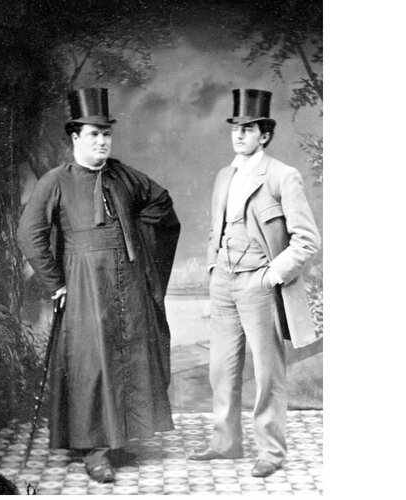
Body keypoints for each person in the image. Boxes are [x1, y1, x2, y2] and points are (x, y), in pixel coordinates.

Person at [17, 88, 180, 483]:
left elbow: (162, 205)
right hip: (84, 285)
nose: (102, 141)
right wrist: (56, 282)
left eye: (107, 134)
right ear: (75, 137)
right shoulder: (56, 180)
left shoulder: (123, 175)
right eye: (94, 134)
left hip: (127, 282)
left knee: (127, 357)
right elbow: (29, 234)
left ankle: (119, 440)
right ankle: (95, 452)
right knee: (92, 363)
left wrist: (138, 239)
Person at [189, 89, 321, 477]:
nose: (239, 134)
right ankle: (225, 443)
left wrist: (271, 276)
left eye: (248, 128)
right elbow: (216, 228)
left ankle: (271, 452)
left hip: (259, 285)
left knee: (267, 373)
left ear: (264, 135)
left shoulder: (282, 176)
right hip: (224, 283)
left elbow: (307, 240)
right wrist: (213, 267)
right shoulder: (224, 176)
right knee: (221, 369)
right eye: (235, 127)